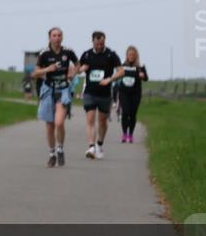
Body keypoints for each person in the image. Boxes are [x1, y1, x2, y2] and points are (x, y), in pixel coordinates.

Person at [31, 27, 78, 167]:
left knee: (59, 122)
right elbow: (35, 73)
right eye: (54, 35)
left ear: (62, 37)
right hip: (48, 89)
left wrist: (73, 73)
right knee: (50, 125)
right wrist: (48, 69)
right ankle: (52, 153)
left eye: (59, 35)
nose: (57, 38)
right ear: (49, 38)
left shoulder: (68, 51)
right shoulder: (44, 53)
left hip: (63, 90)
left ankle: (60, 148)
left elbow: (78, 64)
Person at [77, 31, 124, 160]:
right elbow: (79, 69)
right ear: (92, 41)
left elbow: (121, 71)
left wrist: (110, 80)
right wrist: (78, 70)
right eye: (97, 44)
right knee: (90, 119)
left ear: (105, 41)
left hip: (105, 94)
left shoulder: (111, 54)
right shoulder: (86, 54)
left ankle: (99, 144)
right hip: (89, 92)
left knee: (102, 121)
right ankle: (91, 146)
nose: (99, 46)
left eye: (101, 44)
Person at [118, 46, 148, 143]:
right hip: (124, 93)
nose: (131, 56)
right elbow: (116, 75)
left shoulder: (140, 68)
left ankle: (130, 134)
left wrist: (143, 76)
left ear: (136, 56)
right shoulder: (122, 66)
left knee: (132, 114)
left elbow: (146, 79)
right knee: (125, 112)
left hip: (135, 94)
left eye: (133, 55)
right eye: (129, 54)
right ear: (127, 55)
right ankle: (124, 134)